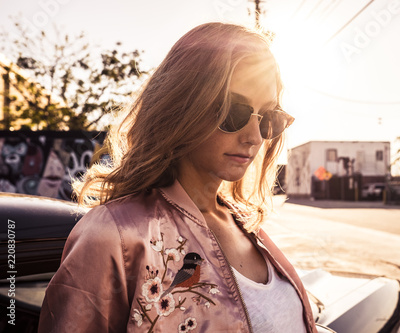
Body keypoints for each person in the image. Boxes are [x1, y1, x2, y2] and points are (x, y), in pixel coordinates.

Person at [39, 22, 318, 333]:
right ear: (182, 106)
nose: (254, 136)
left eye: (268, 117)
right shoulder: (115, 237)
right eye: (232, 111)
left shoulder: (243, 223)